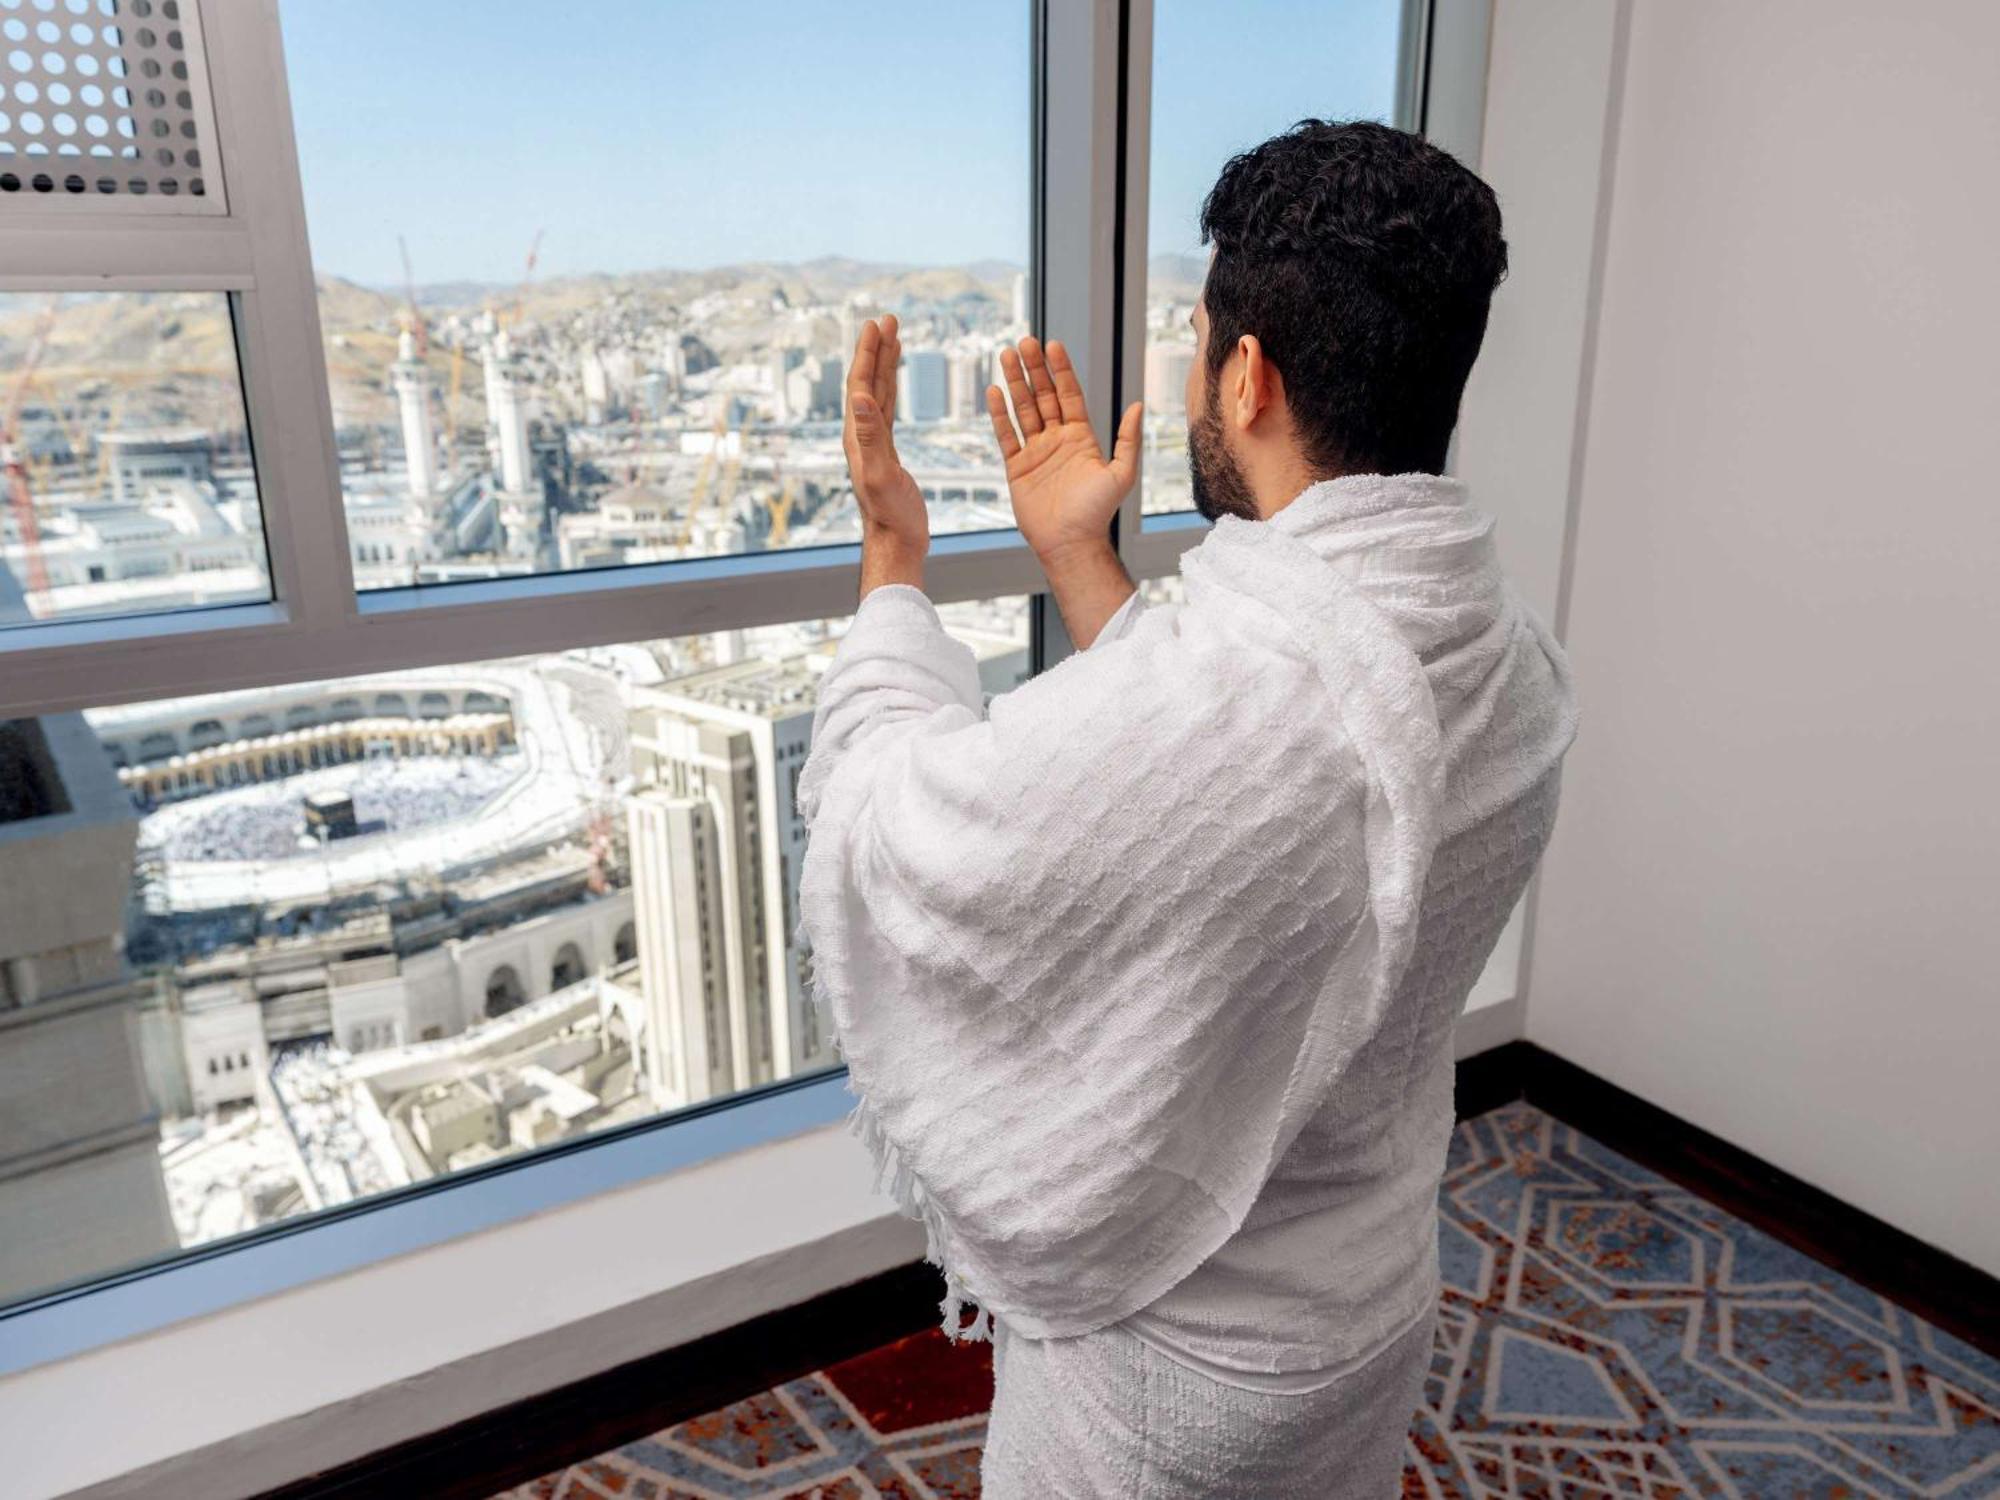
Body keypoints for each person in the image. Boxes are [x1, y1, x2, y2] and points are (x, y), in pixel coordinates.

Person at [797, 121, 1577, 1498]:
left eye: (1203, 340)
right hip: (1366, 1296)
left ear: (1249, 376)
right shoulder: (1503, 659)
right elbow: (1247, 810)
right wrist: (1079, 562)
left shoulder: (1260, 700)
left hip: (1178, 1373)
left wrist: (892, 560)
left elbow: (895, 832)